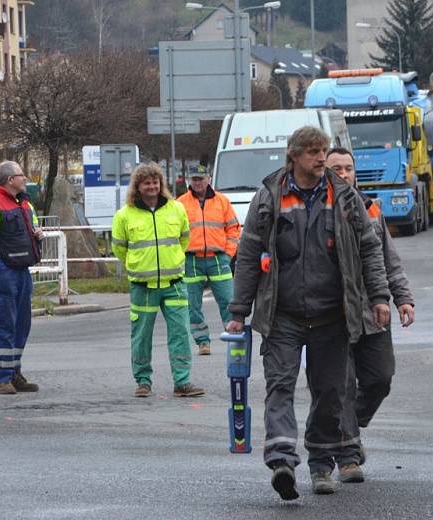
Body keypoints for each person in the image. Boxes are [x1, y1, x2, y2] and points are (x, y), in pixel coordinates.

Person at [227, 126, 391, 500]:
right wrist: (239, 310)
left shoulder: (344, 196)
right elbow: (249, 255)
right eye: (314, 152)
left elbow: (370, 249)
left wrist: (379, 297)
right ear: (294, 156)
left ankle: (321, 465)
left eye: (324, 151)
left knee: (331, 393)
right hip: (283, 315)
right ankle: (282, 461)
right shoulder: (270, 196)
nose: (321, 158)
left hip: (333, 315)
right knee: (280, 387)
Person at [324, 147, 415, 484]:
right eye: (337, 168)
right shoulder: (316, 210)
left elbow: (389, 260)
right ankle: (348, 456)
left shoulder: (371, 208)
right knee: (342, 387)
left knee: (380, 379)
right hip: (332, 316)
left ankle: (351, 429)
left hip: (372, 312)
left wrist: (403, 299)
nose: (344, 174)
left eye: (348, 168)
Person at [111, 162, 205, 399]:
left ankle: (182, 382)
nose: (152, 186)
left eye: (155, 182)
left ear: (161, 184)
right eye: (147, 183)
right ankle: (143, 382)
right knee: (141, 337)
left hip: (174, 285)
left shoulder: (176, 209)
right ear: (138, 187)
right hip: (143, 287)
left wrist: (170, 261)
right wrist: (138, 266)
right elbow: (119, 249)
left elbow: (183, 240)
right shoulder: (124, 215)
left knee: (180, 334)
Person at [0, 161, 45, 395]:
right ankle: (2, 379)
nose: (24, 178)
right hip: (2, 275)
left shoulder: (25, 202)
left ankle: (14, 373)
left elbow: (33, 229)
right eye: (20, 175)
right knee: (5, 326)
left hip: (21, 272)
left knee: (21, 326)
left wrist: (38, 235)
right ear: (8, 180)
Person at [177, 164, 240, 356]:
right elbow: (175, 233)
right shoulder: (180, 203)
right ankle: (202, 342)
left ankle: (234, 339)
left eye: (201, 179)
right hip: (191, 260)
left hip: (218, 258)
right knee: (192, 305)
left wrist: (228, 253)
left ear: (208, 179)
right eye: (194, 179)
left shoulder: (222, 201)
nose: (197, 182)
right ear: (190, 180)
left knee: (228, 301)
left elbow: (234, 229)